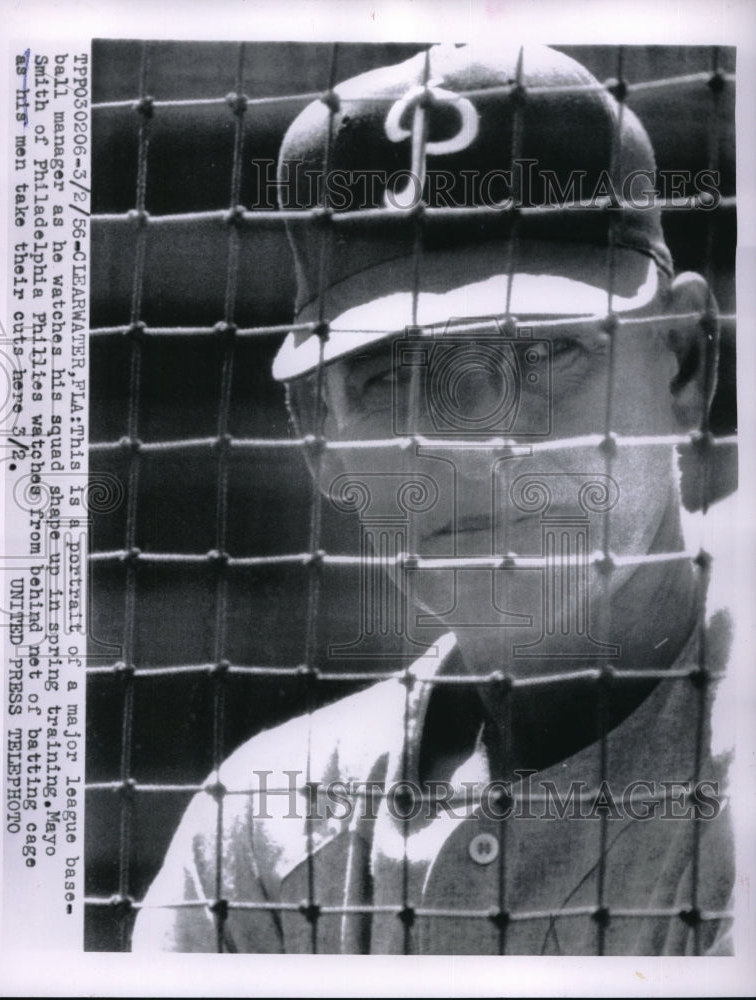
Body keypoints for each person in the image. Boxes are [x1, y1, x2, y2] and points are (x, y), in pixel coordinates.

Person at [131, 43, 735, 955]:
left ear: (683, 361)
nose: (480, 449)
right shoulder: (258, 836)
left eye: (541, 355)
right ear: (316, 431)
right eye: (391, 377)